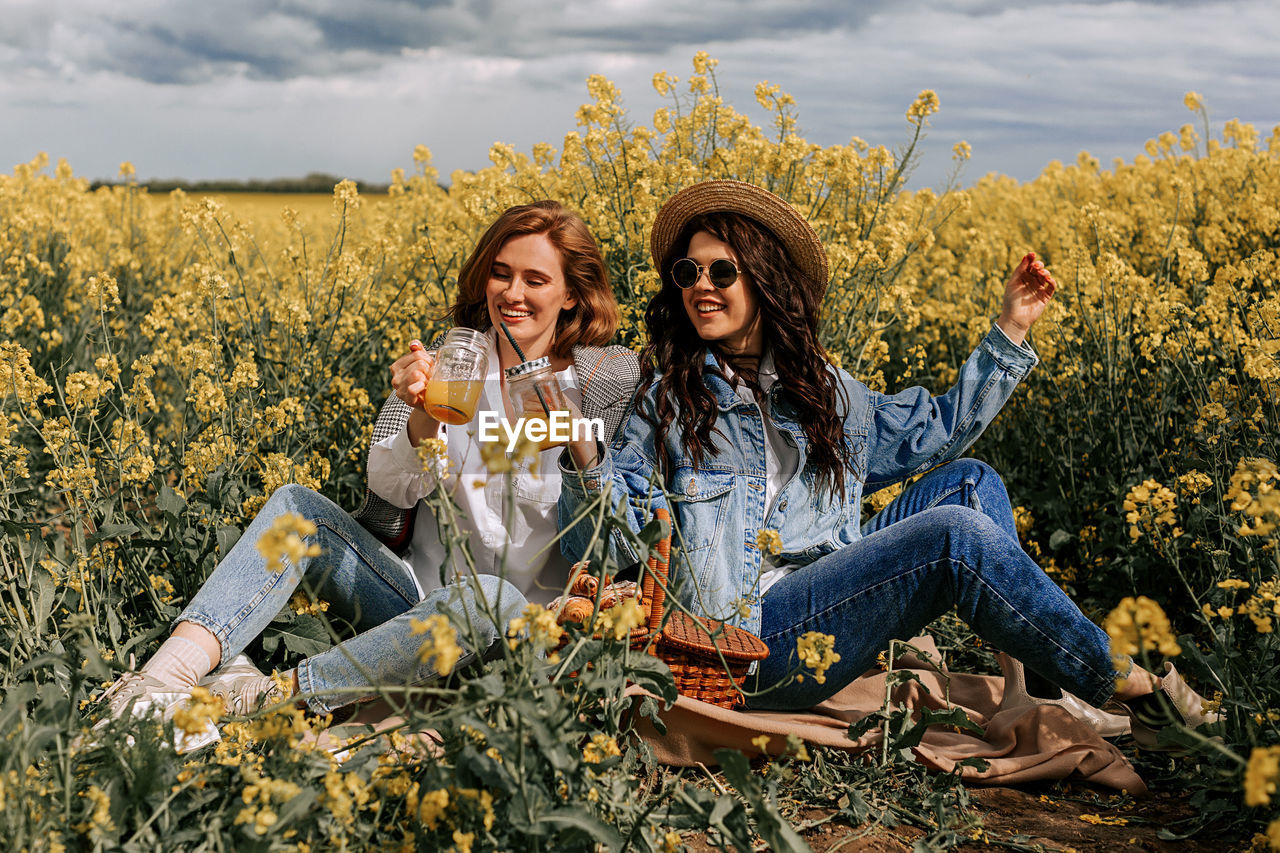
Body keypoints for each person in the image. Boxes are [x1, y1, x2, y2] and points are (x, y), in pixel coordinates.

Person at [558, 180, 1215, 744]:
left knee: (971, 481)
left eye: (720, 271)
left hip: (832, 595)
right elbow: (609, 535)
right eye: (687, 272)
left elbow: (940, 432)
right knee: (954, 539)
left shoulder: (830, 390)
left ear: (763, 278)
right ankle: (1131, 684)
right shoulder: (667, 395)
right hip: (749, 640)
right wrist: (581, 446)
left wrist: (1011, 328)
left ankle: (1038, 686)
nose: (701, 285)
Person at [99, 200, 639, 731]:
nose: (513, 294)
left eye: (535, 280)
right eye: (500, 274)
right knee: (296, 507)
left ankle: (271, 698)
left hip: (524, 634)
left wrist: (581, 447)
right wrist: (422, 416)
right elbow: (390, 492)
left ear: (571, 294)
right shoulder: (448, 362)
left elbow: (618, 550)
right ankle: (156, 685)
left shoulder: (603, 385)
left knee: (488, 598)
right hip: (413, 606)